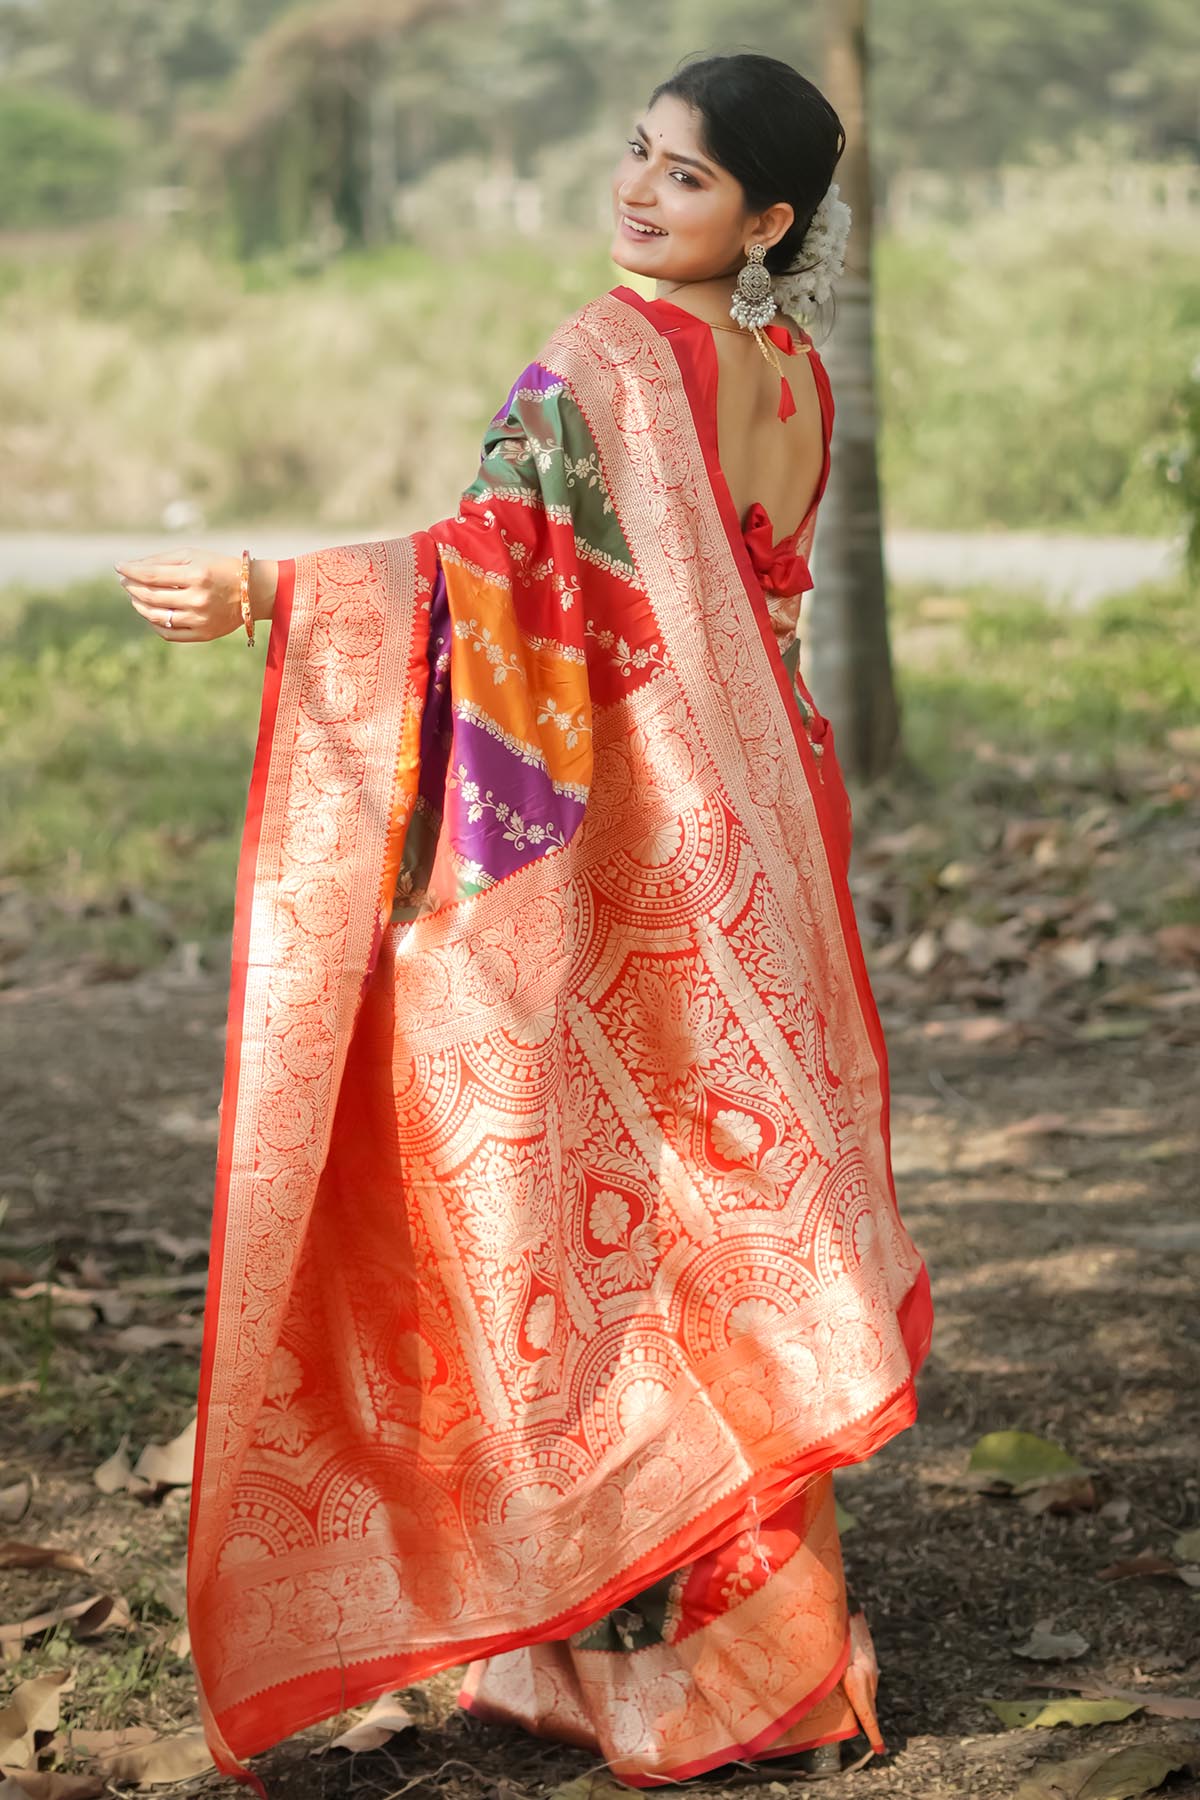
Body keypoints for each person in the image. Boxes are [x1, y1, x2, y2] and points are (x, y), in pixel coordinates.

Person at [116, 52, 932, 1791]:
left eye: (688, 181)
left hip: (642, 838)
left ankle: (705, 1674)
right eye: (635, 157)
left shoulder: (614, 358)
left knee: (592, 1199)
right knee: (732, 1197)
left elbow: (501, 571)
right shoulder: (794, 366)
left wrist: (277, 596)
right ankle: (756, 1647)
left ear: (767, 220)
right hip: (766, 810)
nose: (641, 194)